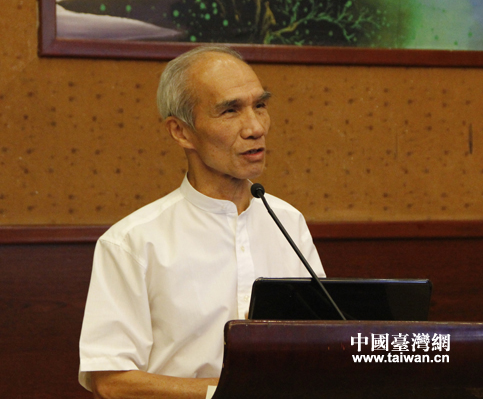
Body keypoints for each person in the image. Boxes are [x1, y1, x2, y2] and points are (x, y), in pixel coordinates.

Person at [79, 45, 325, 399]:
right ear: (181, 132)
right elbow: (111, 381)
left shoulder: (288, 222)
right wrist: (226, 393)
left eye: (260, 105)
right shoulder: (132, 242)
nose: (255, 127)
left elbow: (319, 345)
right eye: (230, 110)